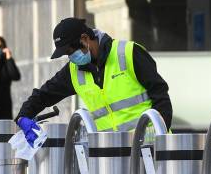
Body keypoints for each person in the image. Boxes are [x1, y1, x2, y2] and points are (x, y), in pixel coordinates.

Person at [16, 18, 172, 145]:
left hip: (151, 147)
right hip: (112, 156)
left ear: (84, 39)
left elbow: (160, 96)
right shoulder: (74, 71)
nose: (71, 58)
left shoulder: (128, 53)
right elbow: (44, 95)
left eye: (71, 52)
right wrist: (23, 117)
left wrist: (161, 140)